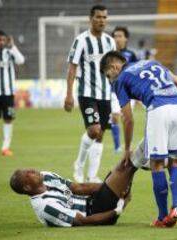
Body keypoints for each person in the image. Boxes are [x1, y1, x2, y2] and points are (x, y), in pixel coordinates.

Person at [100, 51, 177, 227]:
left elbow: (128, 119)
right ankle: (176, 207)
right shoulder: (151, 62)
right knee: (175, 162)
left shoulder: (121, 80)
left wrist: (126, 149)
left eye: (109, 76)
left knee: (156, 164)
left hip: (158, 109)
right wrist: (176, 108)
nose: (111, 80)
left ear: (114, 67)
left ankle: (163, 217)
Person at [9, 138, 177, 227]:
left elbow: (78, 187)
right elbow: (83, 221)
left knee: (127, 166)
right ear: (27, 187)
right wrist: (117, 209)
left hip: (98, 200)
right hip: (98, 213)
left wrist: (108, 185)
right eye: (29, 173)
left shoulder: (46, 176)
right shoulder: (45, 207)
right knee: (128, 164)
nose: (33, 170)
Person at [64, 5, 116, 183]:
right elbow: (72, 68)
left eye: (104, 17)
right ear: (90, 19)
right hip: (87, 93)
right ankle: (78, 164)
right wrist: (69, 94)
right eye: (98, 17)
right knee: (94, 130)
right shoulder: (81, 40)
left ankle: (92, 175)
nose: (102, 20)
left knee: (101, 134)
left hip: (105, 94)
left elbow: (114, 69)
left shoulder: (110, 42)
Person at [110, 26, 139, 153]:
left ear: (126, 39)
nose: (117, 39)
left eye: (120, 36)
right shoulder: (109, 54)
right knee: (115, 117)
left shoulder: (131, 55)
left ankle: (128, 144)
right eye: (115, 36)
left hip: (128, 92)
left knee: (126, 118)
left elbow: (137, 72)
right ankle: (117, 147)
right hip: (114, 90)